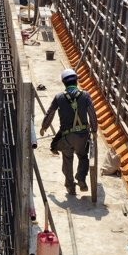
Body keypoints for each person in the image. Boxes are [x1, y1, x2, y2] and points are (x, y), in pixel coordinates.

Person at [40, 68, 97, 196]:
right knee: (83, 156)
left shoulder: (59, 97)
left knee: (67, 158)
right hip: (82, 135)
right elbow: (92, 114)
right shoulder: (85, 95)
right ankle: (81, 178)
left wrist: (44, 127)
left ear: (64, 83)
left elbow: (50, 113)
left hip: (66, 136)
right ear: (76, 81)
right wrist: (94, 130)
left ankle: (71, 187)